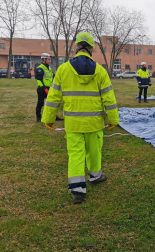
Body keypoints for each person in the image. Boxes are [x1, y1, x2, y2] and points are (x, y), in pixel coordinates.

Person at [41, 32, 120, 204]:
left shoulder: (63, 70)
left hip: (73, 124)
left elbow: (54, 97)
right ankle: (95, 176)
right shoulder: (100, 71)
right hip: (94, 123)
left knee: (76, 154)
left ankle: (78, 190)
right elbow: (109, 99)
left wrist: (48, 118)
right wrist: (113, 119)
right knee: (94, 151)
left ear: (76, 46)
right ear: (91, 48)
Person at [35, 53, 53, 122]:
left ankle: (52, 116)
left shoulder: (49, 67)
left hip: (49, 88)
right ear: (44, 60)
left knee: (51, 103)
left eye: (50, 59)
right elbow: (38, 79)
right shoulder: (40, 68)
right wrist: (44, 88)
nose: (50, 60)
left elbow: (52, 76)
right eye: (48, 59)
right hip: (42, 88)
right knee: (40, 103)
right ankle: (38, 117)